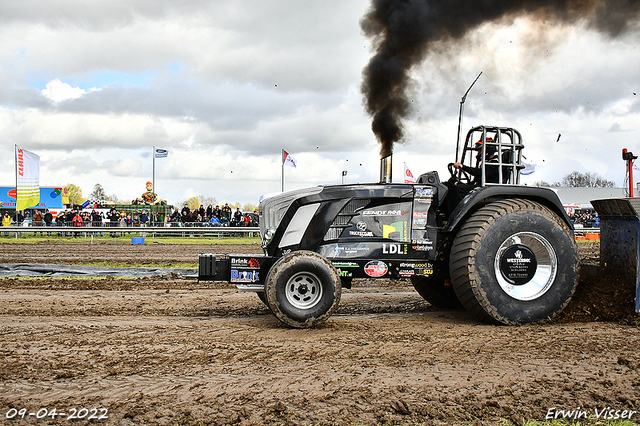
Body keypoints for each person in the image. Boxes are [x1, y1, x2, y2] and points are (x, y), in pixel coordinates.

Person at [446, 138, 500, 213]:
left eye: (480, 150)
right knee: (451, 186)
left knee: (459, 189)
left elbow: (480, 173)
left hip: (487, 188)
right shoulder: (486, 162)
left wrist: (463, 167)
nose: (478, 152)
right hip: (480, 186)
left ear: (487, 150)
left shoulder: (495, 163)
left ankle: (459, 214)